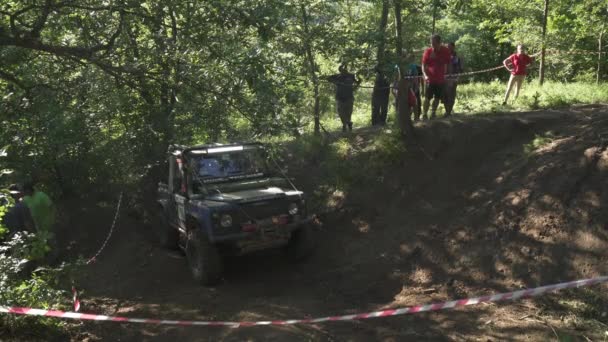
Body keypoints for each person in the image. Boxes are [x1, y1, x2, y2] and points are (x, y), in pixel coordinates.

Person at [22, 181, 57, 261]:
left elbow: (51, 206)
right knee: (41, 245)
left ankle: (56, 257)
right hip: (36, 227)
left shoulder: (41, 195)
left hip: (48, 223)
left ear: (30, 189)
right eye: (24, 191)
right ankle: (47, 260)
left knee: (51, 241)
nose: (25, 192)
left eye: (26, 190)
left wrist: (53, 218)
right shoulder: (25, 199)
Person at [421, 35, 451, 120]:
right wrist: (425, 75)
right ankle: (424, 114)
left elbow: (449, 63)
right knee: (427, 97)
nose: (432, 45)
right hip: (430, 79)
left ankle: (433, 112)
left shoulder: (445, 51)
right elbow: (423, 65)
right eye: (431, 43)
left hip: (440, 79)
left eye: (433, 43)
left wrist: (448, 75)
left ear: (439, 43)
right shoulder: (428, 51)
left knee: (437, 97)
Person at [327, 64, 361, 132]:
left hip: (349, 97)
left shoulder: (351, 76)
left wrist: (358, 82)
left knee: (348, 112)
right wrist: (336, 82)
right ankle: (345, 124)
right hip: (340, 98)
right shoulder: (337, 76)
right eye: (342, 69)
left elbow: (356, 83)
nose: (344, 71)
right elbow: (328, 78)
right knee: (341, 113)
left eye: (345, 69)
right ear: (340, 70)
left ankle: (348, 123)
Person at [443, 42, 463, 116]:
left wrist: (458, 77)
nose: (448, 48)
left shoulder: (457, 57)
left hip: (453, 78)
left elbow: (460, 69)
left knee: (451, 94)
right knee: (444, 95)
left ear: (453, 47)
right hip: (444, 77)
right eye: (447, 47)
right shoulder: (443, 56)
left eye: (449, 47)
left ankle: (449, 111)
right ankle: (447, 110)